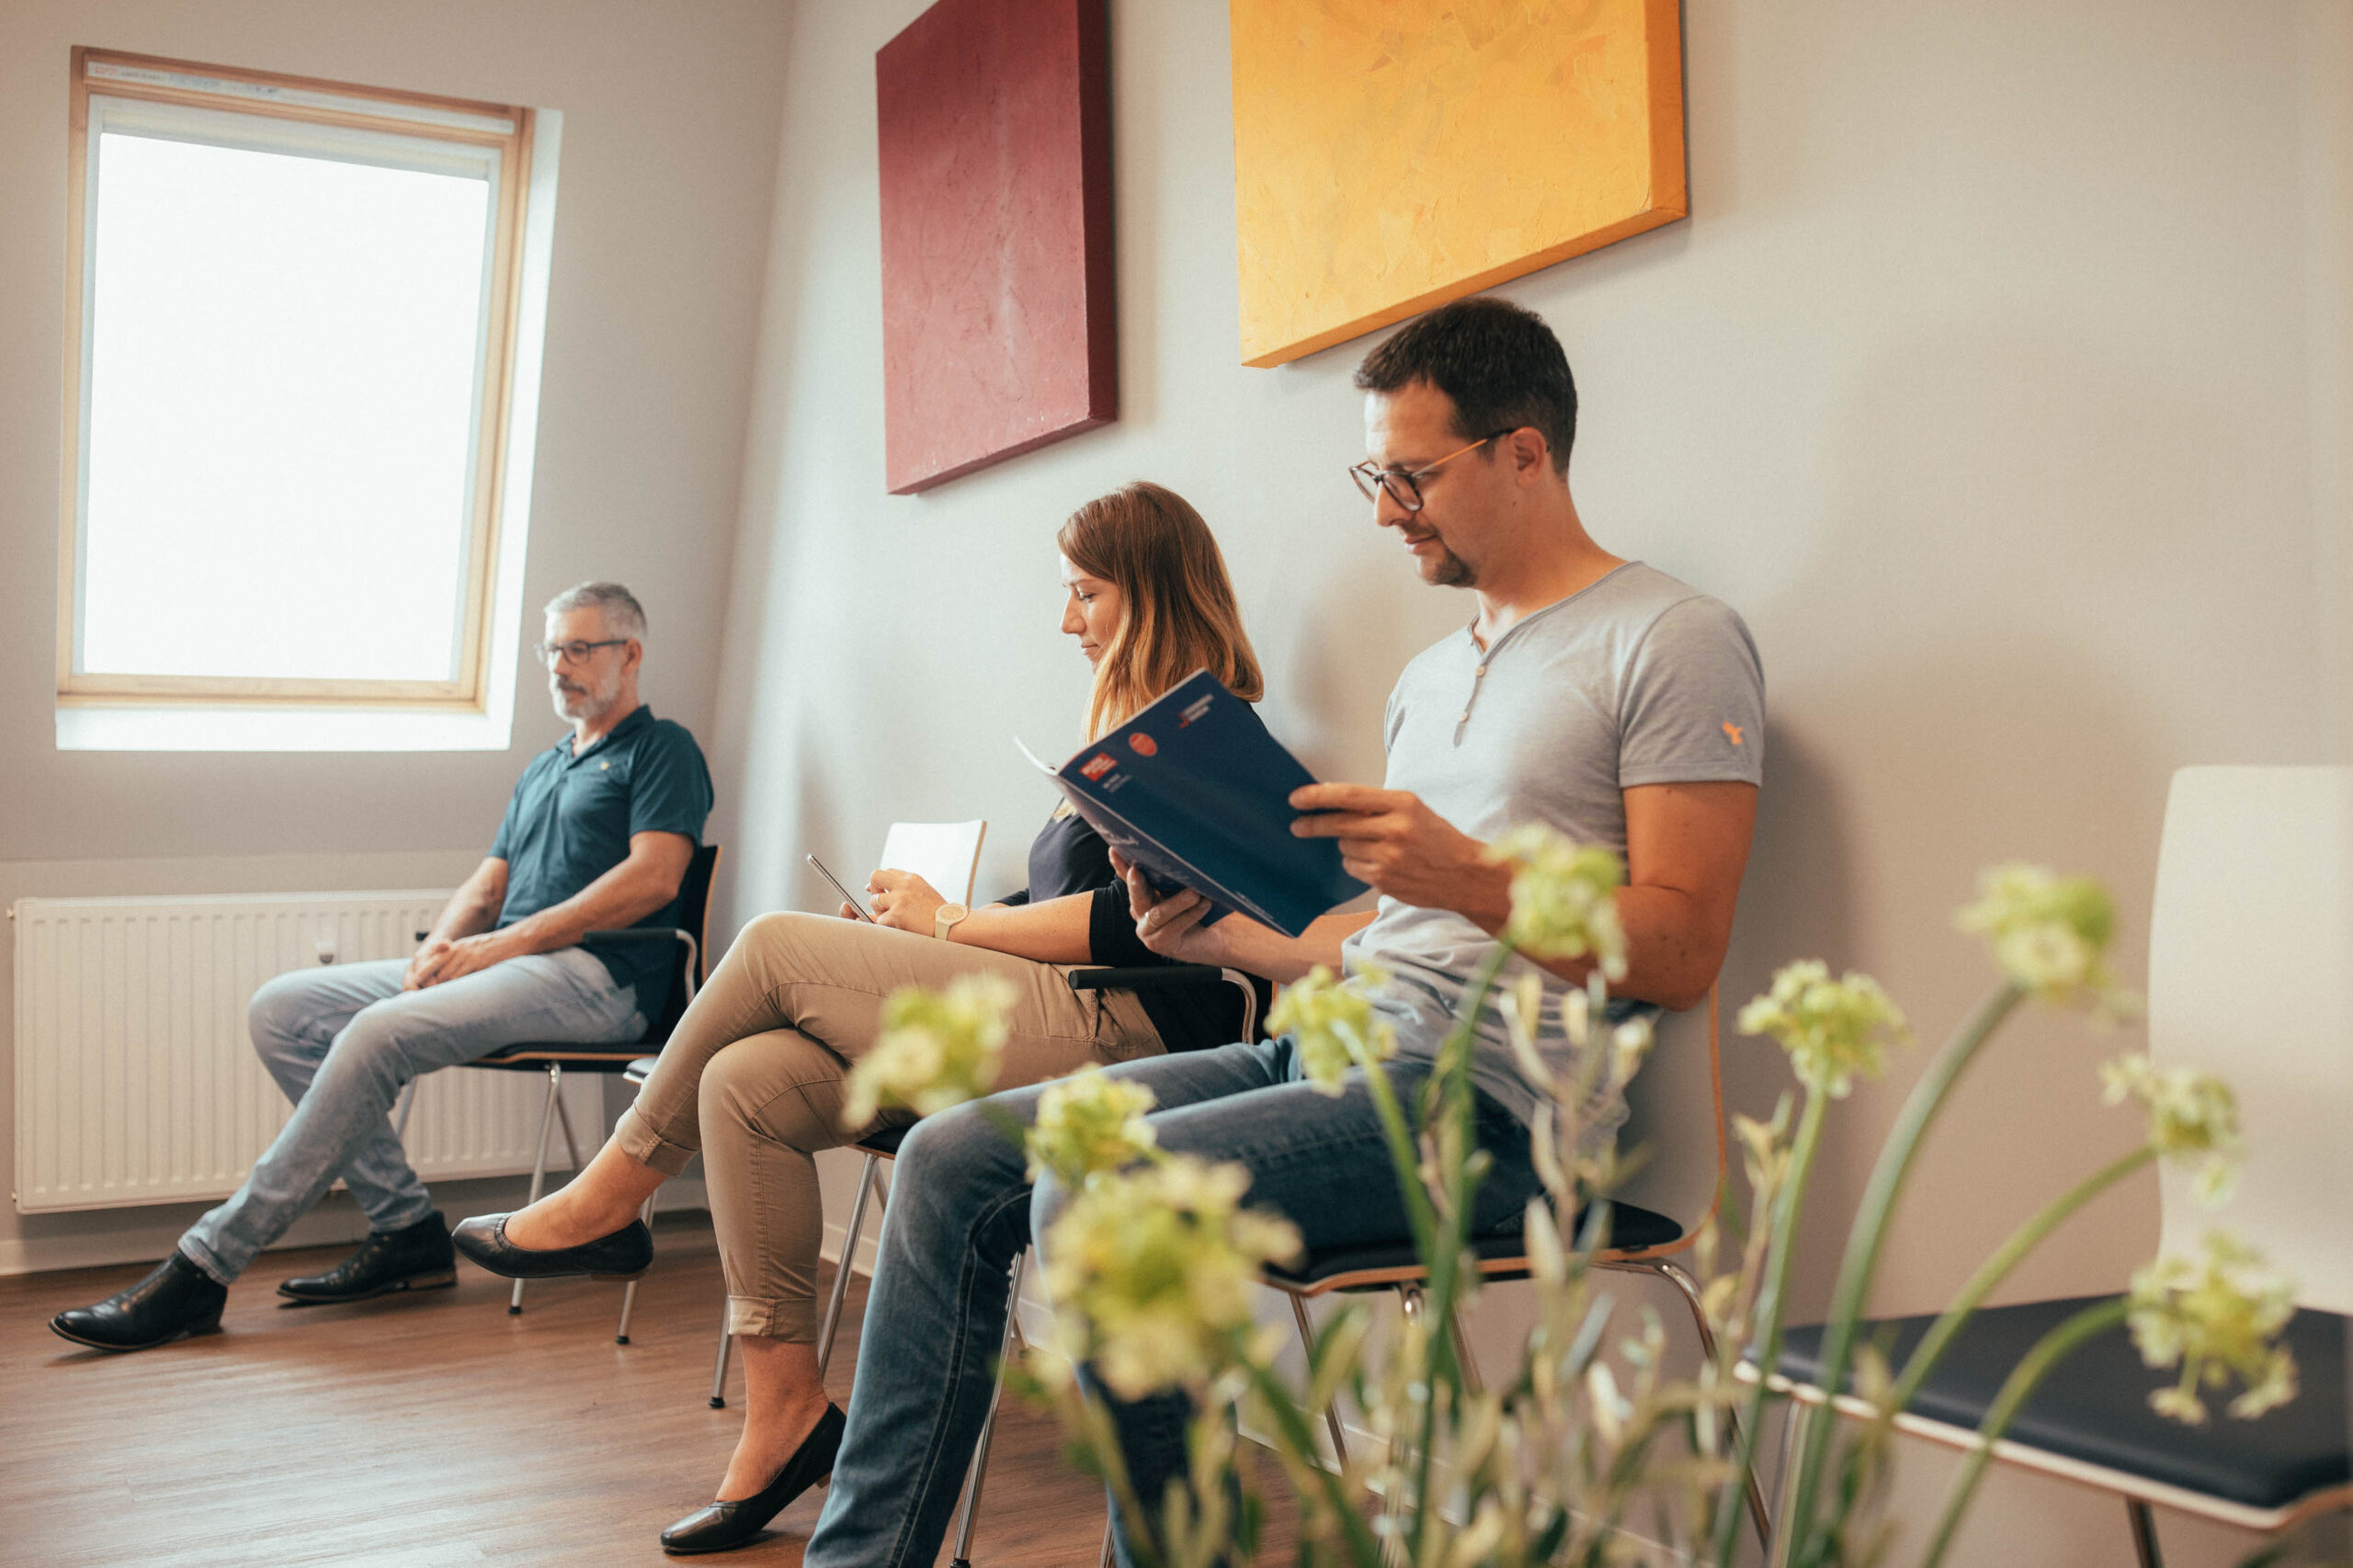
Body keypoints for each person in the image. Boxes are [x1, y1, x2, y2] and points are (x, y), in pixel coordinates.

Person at [798, 296, 1768, 1568]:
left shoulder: (1672, 641)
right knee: (948, 1155)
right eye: (1378, 473)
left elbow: (1686, 945)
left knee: (1100, 1197)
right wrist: (1210, 940)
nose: (1384, 509)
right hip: (1329, 1052)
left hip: (1492, 1109)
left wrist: (1472, 877)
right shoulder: (1434, 674)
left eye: (1412, 474)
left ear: (1525, 451)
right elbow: (1382, 937)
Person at [451, 482, 1273, 1555]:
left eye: (1085, 593)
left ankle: (612, 1191)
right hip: (1062, 1005)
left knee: (776, 944)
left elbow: (1147, 921)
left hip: (1137, 1029)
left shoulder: (1210, 729)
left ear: (1153, 591)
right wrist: (921, 928)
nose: (1067, 620)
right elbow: (1061, 902)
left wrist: (954, 922)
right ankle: (786, 1409)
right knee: (741, 1083)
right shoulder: (1124, 733)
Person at [50, 582, 714, 1353]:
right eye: (550, 650)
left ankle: (205, 1265)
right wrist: (441, 946)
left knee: (376, 1033)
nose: (559, 666)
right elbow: (490, 880)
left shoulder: (661, 749)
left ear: (629, 654)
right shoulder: (545, 766)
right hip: (514, 967)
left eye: (578, 648)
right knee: (283, 1009)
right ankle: (407, 1232)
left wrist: (493, 948)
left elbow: (655, 878)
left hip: (601, 984)